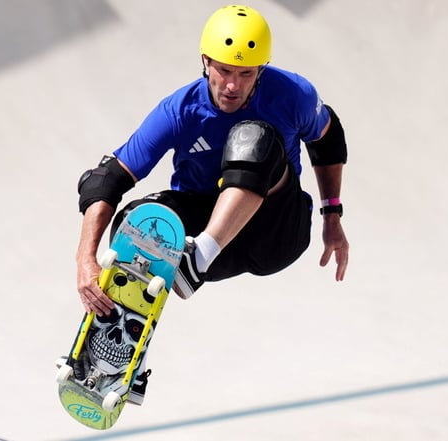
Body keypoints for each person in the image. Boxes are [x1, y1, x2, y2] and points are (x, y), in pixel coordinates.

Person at [74, 5, 350, 404]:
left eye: (245, 74)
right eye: (223, 71)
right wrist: (86, 260)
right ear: (205, 62)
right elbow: (105, 179)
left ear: (262, 70)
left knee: (254, 137)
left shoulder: (293, 94)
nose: (232, 86)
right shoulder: (178, 110)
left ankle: (198, 257)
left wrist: (332, 215)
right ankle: (120, 364)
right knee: (139, 221)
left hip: (275, 231)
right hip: (204, 222)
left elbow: (328, 139)